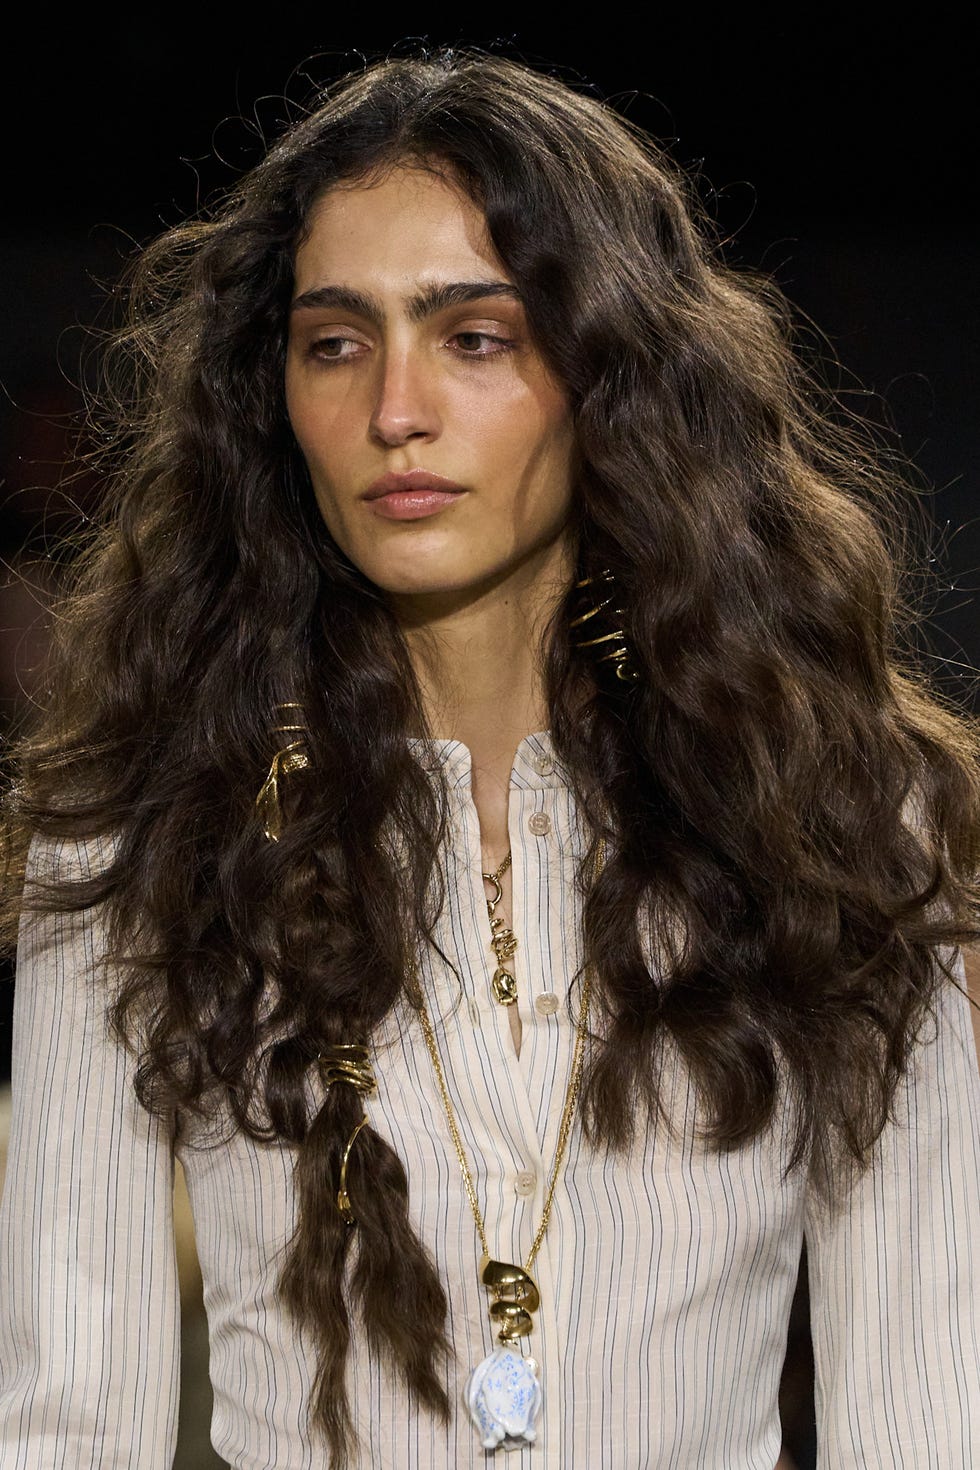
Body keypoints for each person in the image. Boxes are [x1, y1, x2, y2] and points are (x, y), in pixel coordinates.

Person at [0, 50, 978, 1470]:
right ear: (272, 394)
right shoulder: (148, 832)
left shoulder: (844, 824)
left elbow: (931, 1417)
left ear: (609, 370)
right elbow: (65, 1427)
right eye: (336, 342)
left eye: (474, 336)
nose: (397, 408)